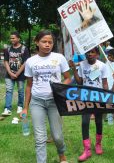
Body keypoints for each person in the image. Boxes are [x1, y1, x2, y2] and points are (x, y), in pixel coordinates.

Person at [21, 30, 71, 163]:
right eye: (44, 41)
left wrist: (59, 89)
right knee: (39, 137)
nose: (47, 44)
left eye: (50, 42)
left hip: (54, 102)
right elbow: (28, 86)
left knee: (57, 136)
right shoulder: (31, 61)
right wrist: (25, 108)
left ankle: (62, 154)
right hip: (37, 102)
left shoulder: (59, 58)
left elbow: (67, 78)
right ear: (37, 42)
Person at [69, 47, 108, 162]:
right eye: (88, 52)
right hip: (86, 97)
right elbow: (80, 82)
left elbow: (104, 83)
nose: (90, 54)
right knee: (85, 122)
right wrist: (74, 70)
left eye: (92, 52)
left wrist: (107, 97)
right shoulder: (82, 65)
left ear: (97, 54)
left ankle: (98, 144)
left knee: (98, 121)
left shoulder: (102, 66)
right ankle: (87, 149)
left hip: (99, 97)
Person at [2, 32, 30, 116]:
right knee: (9, 90)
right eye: (11, 38)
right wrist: (10, 72)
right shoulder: (8, 49)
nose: (12, 40)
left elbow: (25, 62)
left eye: (13, 38)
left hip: (20, 74)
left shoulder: (24, 49)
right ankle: (7, 108)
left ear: (18, 38)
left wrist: (17, 73)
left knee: (21, 91)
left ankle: (20, 106)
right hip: (9, 74)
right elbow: (6, 61)